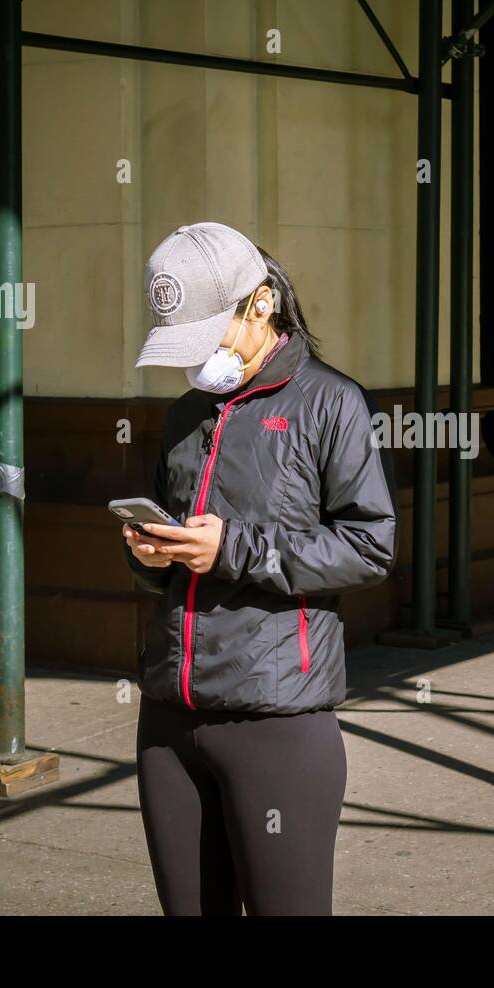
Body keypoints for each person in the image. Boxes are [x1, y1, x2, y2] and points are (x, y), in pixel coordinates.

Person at [123, 222, 397, 915]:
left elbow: (370, 545)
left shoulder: (332, 403)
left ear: (261, 304)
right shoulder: (185, 413)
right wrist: (153, 556)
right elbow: (184, 544)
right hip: (167, 715)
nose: (197, 361)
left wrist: (236, 548)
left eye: (206, 336)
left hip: (276, 719)